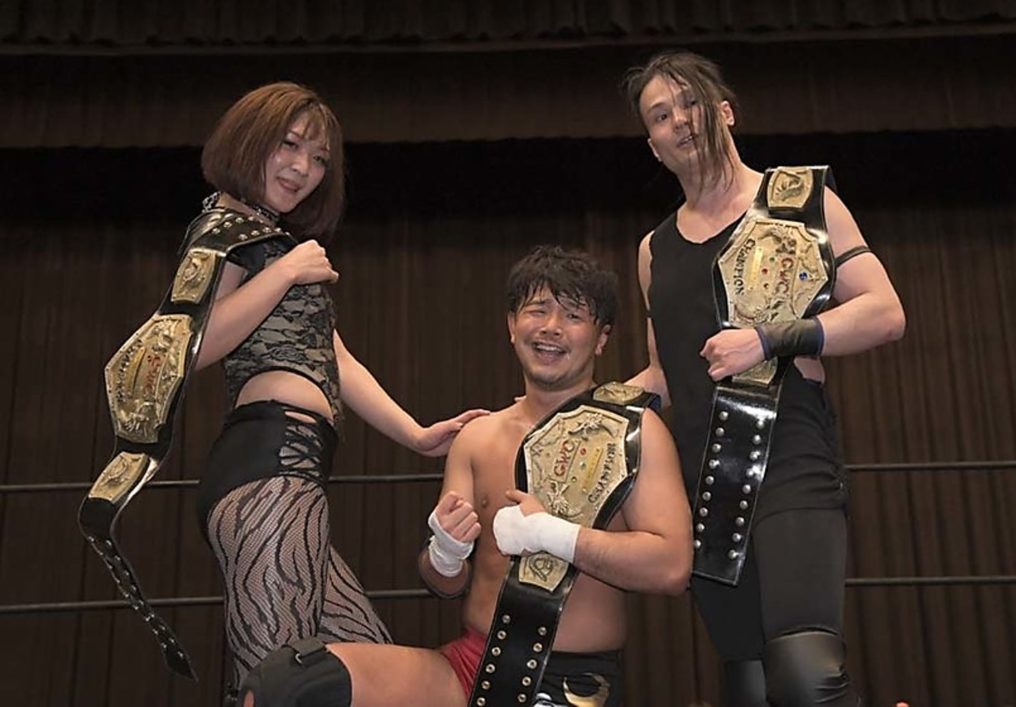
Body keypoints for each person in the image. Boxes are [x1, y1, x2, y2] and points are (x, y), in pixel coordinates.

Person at [237, 245, 693, 707]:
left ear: (601, 338)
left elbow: (672, 567)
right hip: (470, 666)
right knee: (287, 686)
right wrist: (445, 555)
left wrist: (555, 536)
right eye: (538, 310)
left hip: (569, 684)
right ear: (512, 325)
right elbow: (443, 584)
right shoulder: (477, 437)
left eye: (574, 315)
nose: (552, 327)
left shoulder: (634, 431)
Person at [185, 82, 488, 696]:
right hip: (267, 469)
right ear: (249, 140)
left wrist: (417, 435)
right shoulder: (224, 226)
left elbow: (335, 358)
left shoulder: (271, 239)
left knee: (365, 677)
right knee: (277, 686)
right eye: (289, 145)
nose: (303, 168)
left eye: (319, 158)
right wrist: (286, 272)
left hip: (293, 476)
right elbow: (191, 343)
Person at [621, 51, 906, 706]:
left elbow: (885, 312)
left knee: (805, 673)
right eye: (659, 116)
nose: (678, 121)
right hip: (704, 483)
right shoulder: (652, 251)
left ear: (724, 111)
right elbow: (665, 374)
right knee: (748, 686)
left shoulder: (801, 200)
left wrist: (772, 337)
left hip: (788, 461)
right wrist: (582, 411)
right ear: (653, 146)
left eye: (689, 103)